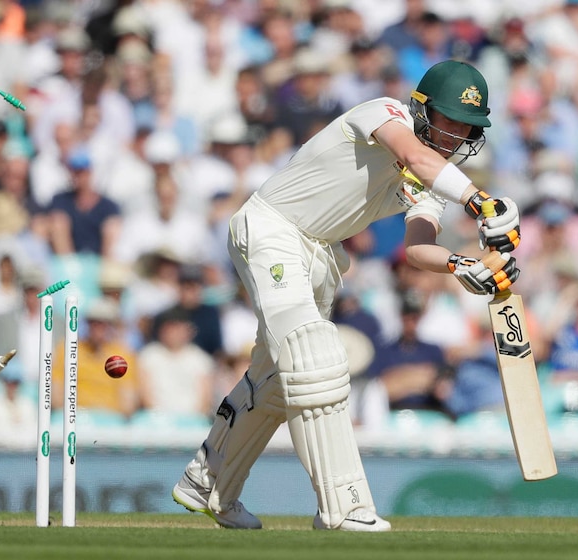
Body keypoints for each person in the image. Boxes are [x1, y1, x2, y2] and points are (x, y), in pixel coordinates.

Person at [171, 60, 521, 532]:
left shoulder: (437, 178)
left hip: (321, 257)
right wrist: (480, 201)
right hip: (273, 229)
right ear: (422, 110)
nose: (457, 136)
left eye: (468, 128)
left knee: (278, 379)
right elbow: (416, 158)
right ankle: (345, 509)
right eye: (451, 121)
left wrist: (462, 265)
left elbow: (419, 247)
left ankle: (206, 482)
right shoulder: (383, 114)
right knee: (314, 359)